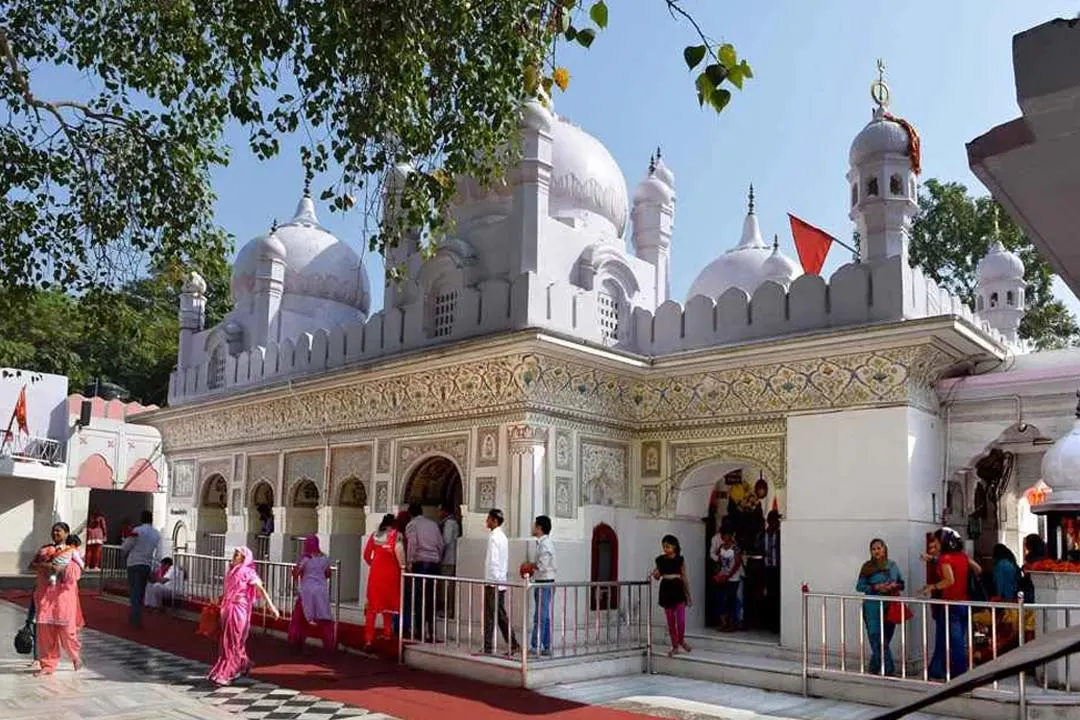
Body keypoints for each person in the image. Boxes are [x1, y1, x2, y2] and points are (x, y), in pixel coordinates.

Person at [208, 547, 280, 686]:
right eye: (234, 554)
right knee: (227, 641)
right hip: (227, 608)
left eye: (237, 554)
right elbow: (229, 591)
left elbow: (261, 589)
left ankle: (228, 672)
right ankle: (241, 664)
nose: (234, 556)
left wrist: (271, 607)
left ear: (244, 557)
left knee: (233, 640)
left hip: (239, 609)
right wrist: (219, 599)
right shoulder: (231, 571)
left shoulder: (248, 572)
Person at [920, 527, 971, 680]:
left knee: (953, 642)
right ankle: (936, 669)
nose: (934, 545)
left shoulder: (945, 559)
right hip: (964, 603)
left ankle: (959, 676)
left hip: (950, 604)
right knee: (951, 639)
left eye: (936, 542)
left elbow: (949, 580)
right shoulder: (962, 557)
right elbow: (978, 569)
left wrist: (932, 587)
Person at [32, 529, 84, 676]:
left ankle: (75, 657)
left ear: (66, 533)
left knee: (68, 633)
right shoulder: (44, 549)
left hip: (64, 598)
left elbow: (76, 573)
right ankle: (47, 665)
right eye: (54, 531)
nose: (55, 533)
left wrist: (62, 568)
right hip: (45, 597)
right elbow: (31, 565)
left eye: (59, 531)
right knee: (46, 633)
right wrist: (45, 566)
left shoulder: (72, 552)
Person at [856, 538, 905, 676]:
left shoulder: (892, 565)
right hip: (872, 607)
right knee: (876, 637)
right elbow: (859, 586)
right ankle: (889, 670)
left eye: (879, 548)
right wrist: (876, 587)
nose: (877, 551)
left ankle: (873, 667)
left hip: (890, 606)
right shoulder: (867, 567)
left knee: (885, 640)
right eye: (874, 549)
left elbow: (902, 583)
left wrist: (893, 585)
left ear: (884, 549)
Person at [363, 514, 406, 649]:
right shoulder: (396, 535)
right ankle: (387, 633)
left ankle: (369, 639)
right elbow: (399, 551)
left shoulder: (375, 535)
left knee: (372, 608)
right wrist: (404, 567)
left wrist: (374, 563)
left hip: (375, 574)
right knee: (388, 605)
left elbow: (366, 555)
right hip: (392, 574)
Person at [287, 535, 336, 652]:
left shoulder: (305, 558)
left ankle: (296, 642)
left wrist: (294, 572)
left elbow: (296, 574)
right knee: (324, 618)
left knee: (300, 618)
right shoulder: (324, 558)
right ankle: (329, 644)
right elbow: (328, 574)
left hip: (306, 592)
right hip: (321, 591)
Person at [404, 502, 443, 642]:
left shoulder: (412, 525)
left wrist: (409, 562)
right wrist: (438, 558)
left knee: (419, 599)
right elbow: (440, 544)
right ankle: (432, 632)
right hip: (434, 564)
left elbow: (412, 544)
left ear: (410, 514)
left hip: (421, 564)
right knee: (431, 599)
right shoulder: (433, 524)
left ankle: (420, 632)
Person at [482, 509, 519, 655]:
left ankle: (488, 647)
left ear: (495, 521)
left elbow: (493, 561)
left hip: (494, 582)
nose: (487, 521)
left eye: (489, 519)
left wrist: (493, 581)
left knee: (491, 616)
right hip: (500, 581)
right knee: (500, 615)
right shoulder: (502, 537)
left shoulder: (494, 537)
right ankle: (512, 643)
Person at [652, 534, 692, 657]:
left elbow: (684, 577)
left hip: (678, 588)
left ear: (674, 546)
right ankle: (675, 645)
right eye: (664, 547)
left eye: (668, 546)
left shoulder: (680, 560)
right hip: (666, 589)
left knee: (681, 620)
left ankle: (681, 639)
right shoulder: (660, 560)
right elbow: (658, 577)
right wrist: (655, 574)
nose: (665, 549)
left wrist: (688, 595)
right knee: (670, 621)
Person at [121, 510, 161, 628]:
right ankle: (137, 616)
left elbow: (127, 546)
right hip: (147, 564)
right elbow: (158, 551)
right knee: (141, 592)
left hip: (134, 563)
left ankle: (135, 618)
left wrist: (123, 553)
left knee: (134, 592)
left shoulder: (137, 531)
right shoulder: (156, 534)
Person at [529, 515, 557, 656]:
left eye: (535, 525)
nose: (533, 527)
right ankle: (546, 645)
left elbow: (542, 565)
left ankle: (536, 645)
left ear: (539, 528)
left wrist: (529, 566)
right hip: (543, 582)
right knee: (544, 616)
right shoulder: (543, 543)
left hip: (544, 583)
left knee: (540, 616)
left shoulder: (545, 544)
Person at [710, 526, 743, 631]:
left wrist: (728, 575)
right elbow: (719, 562)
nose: (725, 537)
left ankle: (732, 623)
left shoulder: (735, 548)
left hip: (733, 578)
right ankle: (724, 622)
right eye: (723, 535)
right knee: (722, 600)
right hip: (723, 576)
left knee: (731, 600)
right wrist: (717, 574)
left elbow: (737, 563)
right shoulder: (721, 548)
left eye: (727, 535)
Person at [760, 509, 782, 634]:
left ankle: (776, 624)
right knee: (768, 596)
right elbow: (758, 547)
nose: (778, 523)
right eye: (775, 520)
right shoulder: (763, 535)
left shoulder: (780, 534)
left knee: (777, 596)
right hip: (766, 569)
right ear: (769, 521)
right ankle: (768, 623)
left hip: (777, 569)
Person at [439, 504, 460, 620]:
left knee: (448, 586)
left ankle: (448, 610)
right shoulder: (452, 522)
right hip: (451, 558)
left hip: (448, 559)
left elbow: (445, 541)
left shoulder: (448, 523)